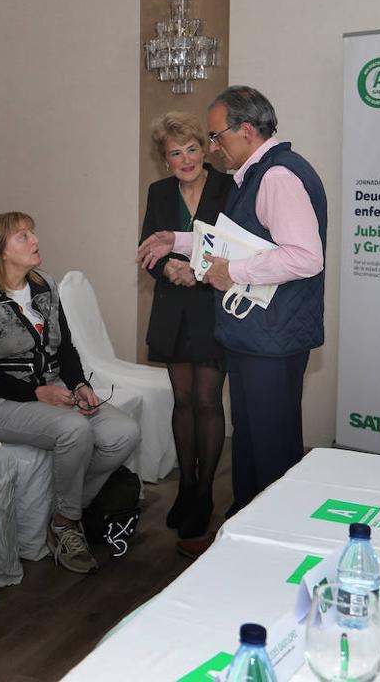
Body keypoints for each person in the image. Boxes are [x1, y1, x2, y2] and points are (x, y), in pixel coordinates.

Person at [137, 86, 326, 525]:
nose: (214, 149)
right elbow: (236, 240)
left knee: (271, 449)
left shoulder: (277, 176)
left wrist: (230, 273)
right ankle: (247, 528)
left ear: (245, 129)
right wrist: (177, 240)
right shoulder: (259, 173)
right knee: (252, 445)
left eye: (216, 138)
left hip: (271, 337)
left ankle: (272, 542)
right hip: (257, 335)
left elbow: (304, 257)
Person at [0, 212, 140, 574]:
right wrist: (37, 394)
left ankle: (62, 512)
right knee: (74, 430)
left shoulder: (44, 286)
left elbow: (66, 349)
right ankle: (66, 526)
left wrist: (79, 385)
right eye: (23, 236)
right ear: (1, 251)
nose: (35, 240)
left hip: (50, 388)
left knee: (125, 432)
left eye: (32, 233)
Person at [139, 112, 231, 541]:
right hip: (174, 310)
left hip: (215, 308)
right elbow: (148, 250)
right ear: (165, 161)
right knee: (183, 401)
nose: (186, 158)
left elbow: (237, 246)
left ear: (204, 150)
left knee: (208, 402)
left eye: (192, 148)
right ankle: (186, 489)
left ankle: (207, 492)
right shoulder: (158, 192)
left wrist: (198, 271)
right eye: (176, 153)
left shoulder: (228, 187)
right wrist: (170, 270)